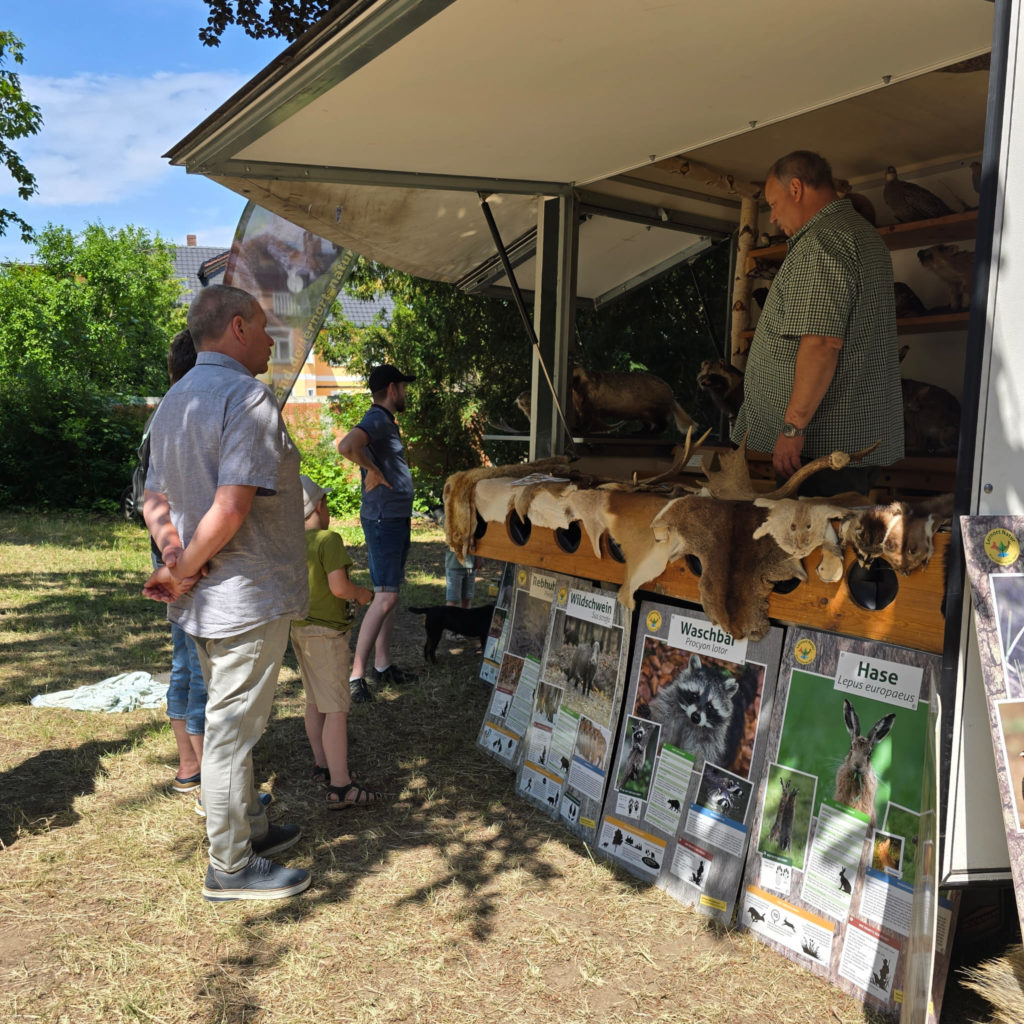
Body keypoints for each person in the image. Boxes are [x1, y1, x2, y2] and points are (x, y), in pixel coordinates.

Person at [142, 284, 311, 902]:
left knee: (232, 723)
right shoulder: (247, 396)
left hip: (207, 600)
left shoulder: (176, 397)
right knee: (232, 732)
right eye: (264, 327)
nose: (272, 340)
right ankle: (231, 868)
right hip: (244, 598)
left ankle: (251, 829)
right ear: (237, 327)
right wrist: (182, 564)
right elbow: (233, 504)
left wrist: (173, 558)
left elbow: (153, 497)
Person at [732, 150, 904, 497]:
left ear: (796, 189)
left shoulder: (822, 242)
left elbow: (822, 343)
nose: (772, 218)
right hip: (845, 444)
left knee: (811, 532)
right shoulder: (863, 235)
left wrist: (793, 429)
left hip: (821, 451)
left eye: (774, 204)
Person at [290, 475, 383, 808]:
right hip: (327, 636)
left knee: (315, 701)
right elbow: (340, 588)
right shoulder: (328, 539)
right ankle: (341, 786)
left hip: (299, 629)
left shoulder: (289, 541)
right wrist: (362, 594)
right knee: (337, 710)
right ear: (320, 505)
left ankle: (323, 764)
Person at [336, 363, 418, 703]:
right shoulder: (377, 419)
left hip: (393, 516)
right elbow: (346, 445)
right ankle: (356, 676)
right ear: (393, 389)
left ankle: (383, 666)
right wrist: (371, 470)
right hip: (384, 519)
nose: (405, 393)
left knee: (390, 592)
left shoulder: (385, 421)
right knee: (385, 597)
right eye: (403, 387)